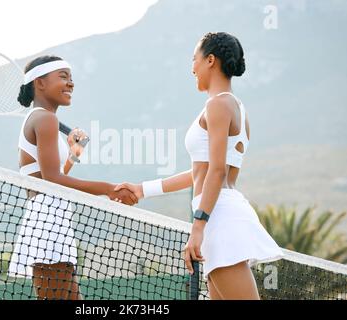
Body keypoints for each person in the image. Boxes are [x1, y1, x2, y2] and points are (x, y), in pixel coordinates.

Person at [115, 32, 283, 300]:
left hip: (219, 217)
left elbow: (217, 172)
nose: (191, 67)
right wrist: (142, 189)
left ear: (210, 61)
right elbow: (200, 173)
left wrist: (198, 226)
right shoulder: (230, 105)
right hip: (218, 215)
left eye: (194, 59)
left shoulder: (218, 105)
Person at [8, 55, 138, 300]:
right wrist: (109, 188)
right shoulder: (45, 118)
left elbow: (54, 176)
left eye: (71, 78)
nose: (71, 84)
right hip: (47, 220)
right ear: (40, 83)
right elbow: (53, 181)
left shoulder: (43, 118)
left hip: (52, 216)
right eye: (63, 77)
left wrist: (74, 153)